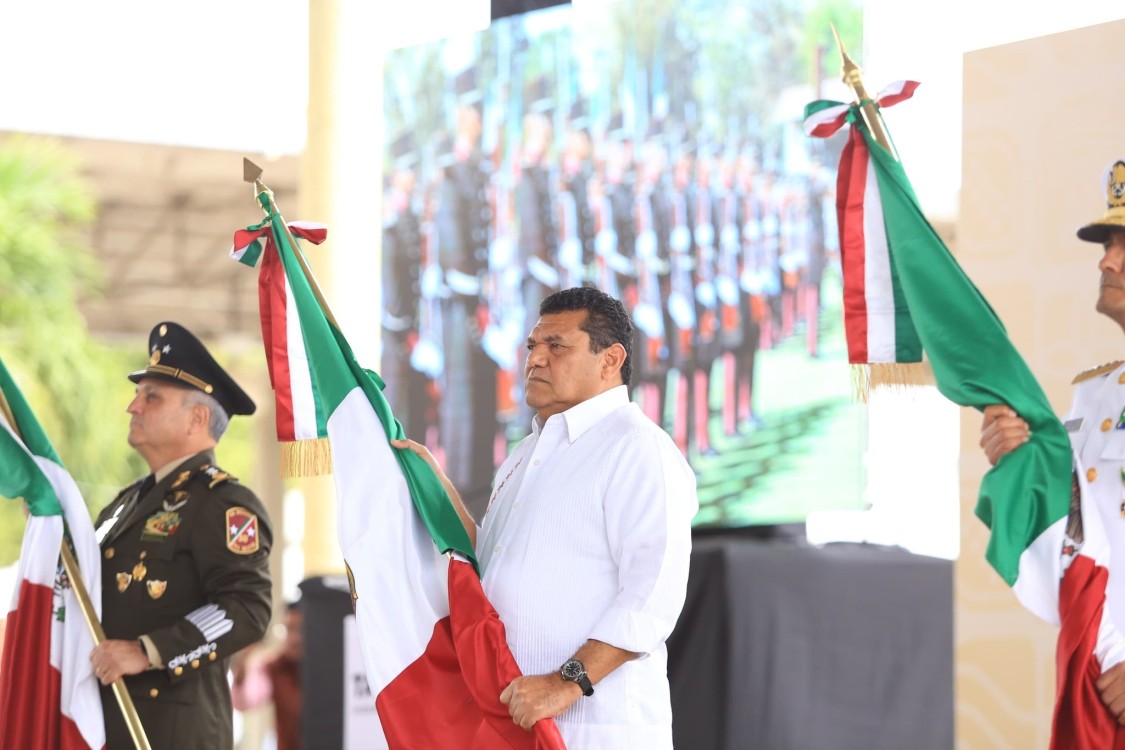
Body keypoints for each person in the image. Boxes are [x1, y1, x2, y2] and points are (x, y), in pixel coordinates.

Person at [394, 286, 698, 748]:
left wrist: (566, 682)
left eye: (556, 346)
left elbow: (651, 595)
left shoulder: (638, 448)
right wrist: (436, 488)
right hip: (515, 725)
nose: (535, 359)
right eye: (533, 346)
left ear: (610, 360)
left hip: (597, 730)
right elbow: (491, 565)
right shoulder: (527, 450)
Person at [979, 159, 1125, 724]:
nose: (1106, 260)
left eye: (1122, 244)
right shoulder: (1094, 399)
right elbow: (1070, 541)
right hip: (1097, 680)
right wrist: (1018, 459)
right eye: (1107, 242)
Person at [90, 321, 273, 749]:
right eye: (138, 394)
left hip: (170, 734)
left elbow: (247, 607)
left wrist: (149, 649)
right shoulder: (126, 503)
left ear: (198, 418)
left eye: (151, 396)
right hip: (108, 722)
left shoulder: (222, 503)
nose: (133, 407)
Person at [231, 601, 303, 750]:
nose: (295, 638)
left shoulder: (326, 667)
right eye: (289, 629)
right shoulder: (273, 667)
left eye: (301, 630)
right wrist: (245, 658)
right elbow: (244, 701)